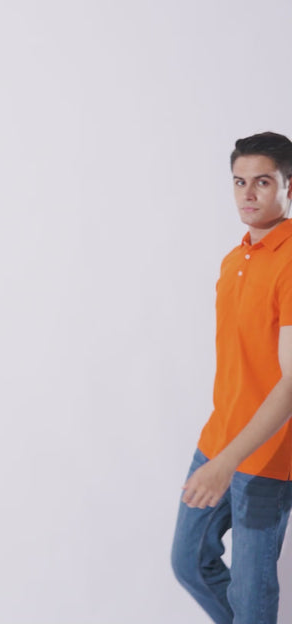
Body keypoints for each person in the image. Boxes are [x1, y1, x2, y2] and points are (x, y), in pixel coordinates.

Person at [171, 131, 292, 624]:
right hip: (217, 438)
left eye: (263, 181)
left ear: (288, 186)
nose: (248, 193)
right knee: (189, 563)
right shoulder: (234, 258)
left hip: (268, 457)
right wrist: (218, 456)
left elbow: (290, 384)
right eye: (239, 182)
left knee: (252, 595)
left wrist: (228, 463)